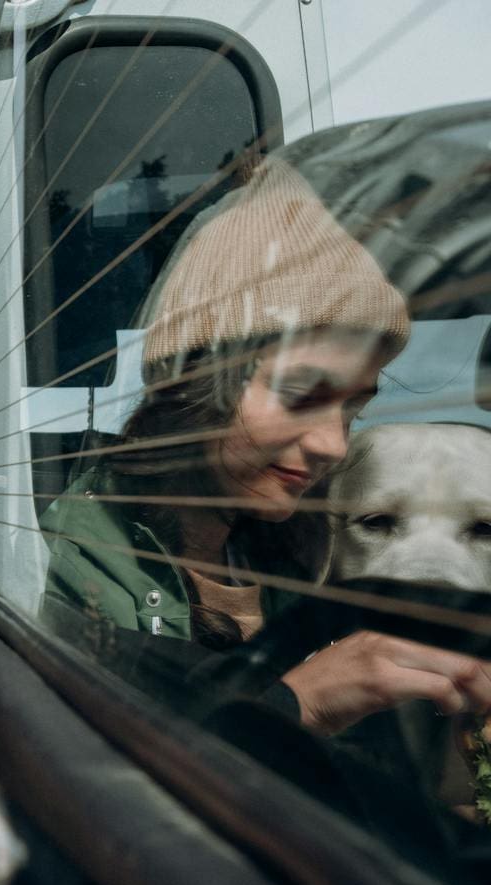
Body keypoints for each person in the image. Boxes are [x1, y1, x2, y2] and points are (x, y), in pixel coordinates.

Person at [39, 157, 491, 739]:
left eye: (355, 405)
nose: (333, 443)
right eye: (301, 395)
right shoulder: (72, 561)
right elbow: (95, 774)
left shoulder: (286, 545)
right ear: (194, 383)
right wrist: (301, 703)